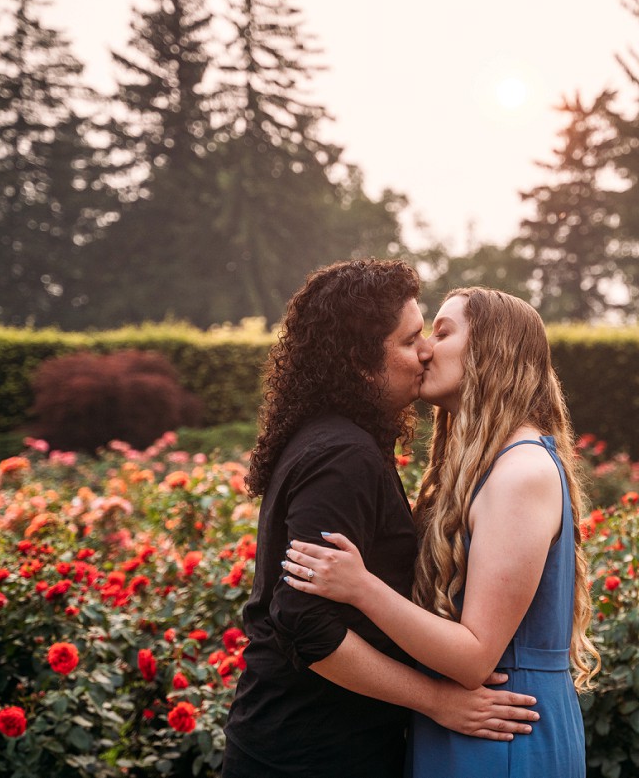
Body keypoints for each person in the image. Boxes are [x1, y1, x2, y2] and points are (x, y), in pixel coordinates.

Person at [221, 262, 540, 778]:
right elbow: (307, 625)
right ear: (359, 357)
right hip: (310, 755)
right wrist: (437, 700)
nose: (426, 351)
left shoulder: (345, 440)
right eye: (410, 339)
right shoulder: (342, 455)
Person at [284, 287, 599, 777]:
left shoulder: (521, 473)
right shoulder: (492, 465)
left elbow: (475, 658)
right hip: (468, 720)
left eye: (443, 332)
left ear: (493, 351)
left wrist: (361, 587)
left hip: (501, 728)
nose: (426, 348)